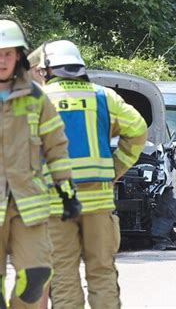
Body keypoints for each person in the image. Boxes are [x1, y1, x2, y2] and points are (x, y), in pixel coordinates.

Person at [39, 39, 147, 309]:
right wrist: (116, 167)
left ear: (48, 70)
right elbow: (137, 129)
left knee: (63, 278)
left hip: (55, 207)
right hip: (98, 204)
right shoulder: (103, 96)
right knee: (101, 274)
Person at [0, 17, 76, 308]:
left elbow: (55, 144)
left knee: (36, 276)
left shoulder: (36, 97)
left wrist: (65, 187)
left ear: (19, 55)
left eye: (8, 53)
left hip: (27, 205)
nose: (2, 60)